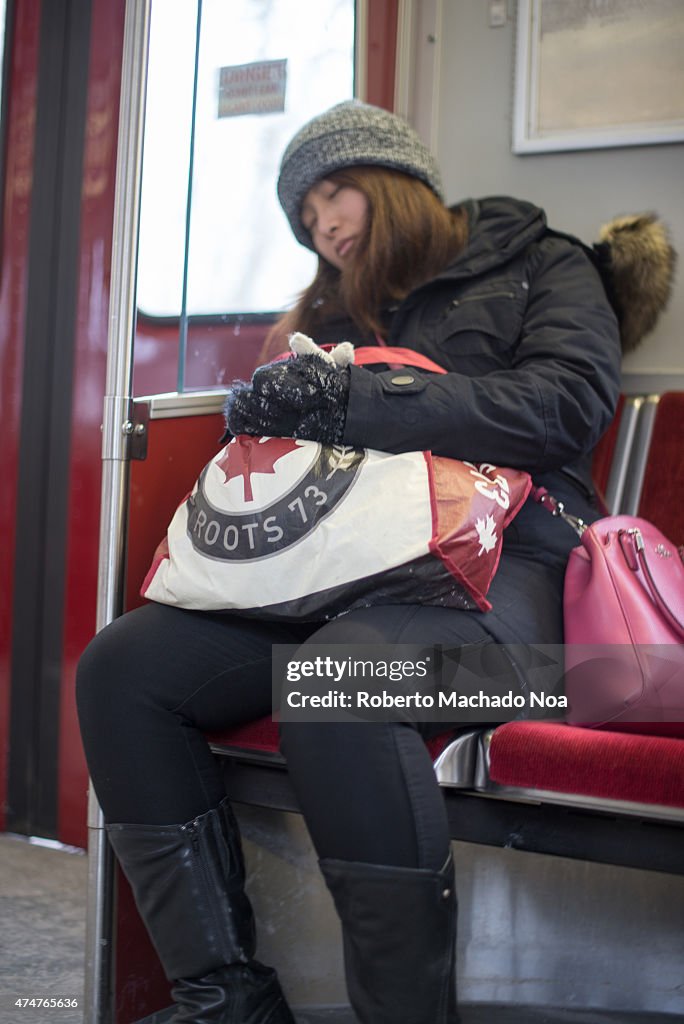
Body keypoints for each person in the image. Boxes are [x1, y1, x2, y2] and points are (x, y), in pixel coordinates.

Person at [77, 99, 626, 1024]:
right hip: (342, 575)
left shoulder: (542, 262)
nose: (322, 224)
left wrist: (365, 403)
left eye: (335, 194)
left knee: (340, 682)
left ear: (397, 181)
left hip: (521, 600)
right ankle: (226, 1003)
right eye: (304, 215)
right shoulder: (329, 312)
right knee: (122, 669)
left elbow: (568, 406)